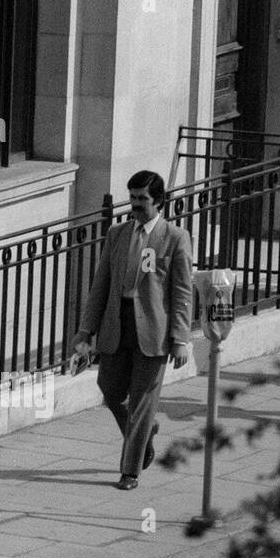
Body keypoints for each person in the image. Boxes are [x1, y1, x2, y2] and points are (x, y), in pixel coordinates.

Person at [73, 170, 192, 490]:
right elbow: (101, 285)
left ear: (159, 202)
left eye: (143, 199)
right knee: (110, 390)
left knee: (141, 400)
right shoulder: (117, 234)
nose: (136, 205)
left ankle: (130, 470)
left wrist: (181, 339)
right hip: (117, 323)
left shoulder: (175, 237)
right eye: (133, 198)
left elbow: (182, 292)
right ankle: (144, 432)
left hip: (154, 330)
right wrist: (85, 331)